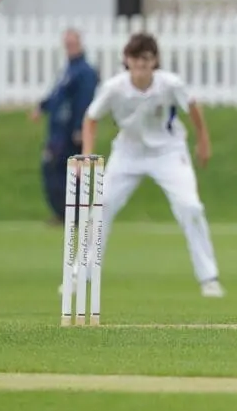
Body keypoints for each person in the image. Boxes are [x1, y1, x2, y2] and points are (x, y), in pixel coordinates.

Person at [80, 32, 224, 298]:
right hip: (127, 152)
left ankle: (209, 278)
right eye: (135, 59)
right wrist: (87, 154)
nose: (141, 65)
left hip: (168, 152)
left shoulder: (170, 84)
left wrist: (203, 141)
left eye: (146, 59)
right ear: (127, 60)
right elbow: (91, 118)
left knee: (190, 207)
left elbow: (192, 106)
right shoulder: (115, 88)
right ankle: (83, 274)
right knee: (101, 205)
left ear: (154, 61)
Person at [31, 29, 99, 223]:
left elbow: (85, 102)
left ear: (80, 44)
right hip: (58, 131)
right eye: (67, 44)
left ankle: (74, 214)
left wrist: (80, 128)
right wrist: (42, 107)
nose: (70, 47)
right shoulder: (68, 70)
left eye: (73, 43)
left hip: (71, 132)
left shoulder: (85, 72)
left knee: (70, 172)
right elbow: (58, 96)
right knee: (54, 170)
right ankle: (63, 212)